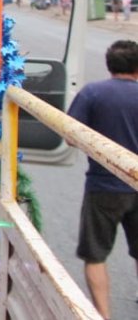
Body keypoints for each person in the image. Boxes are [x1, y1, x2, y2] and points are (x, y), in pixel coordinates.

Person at [69, 40, 138, 320]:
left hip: (103, 187)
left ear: (109, 65)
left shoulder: (92, 93)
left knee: (95, 255)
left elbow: (69, 135)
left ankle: (103, 315)